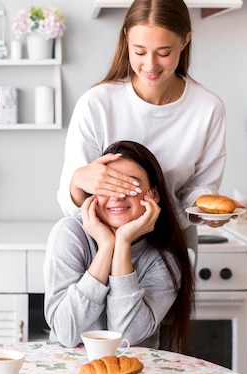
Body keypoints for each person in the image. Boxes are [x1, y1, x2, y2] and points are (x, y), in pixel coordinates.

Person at [57, 0, 232, 257]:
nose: (150, 65)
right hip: (102, 247)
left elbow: (201, 188)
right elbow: (70, 205)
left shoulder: (207, 108)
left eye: (163, 53)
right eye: (139, 51)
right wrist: (78, 182)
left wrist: (206, 210)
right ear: (126, 38)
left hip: (170, 247)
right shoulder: (96, 103)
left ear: (185, 41)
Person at [45, 141, 195, 352]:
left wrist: (122, 244)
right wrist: (106, 247)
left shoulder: (163, 257)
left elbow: (126, 337)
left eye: (130, 186)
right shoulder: (70, 234)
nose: (117, 195)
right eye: (108, 185)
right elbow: (66, 332)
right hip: (69, 372)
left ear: (154, 194)